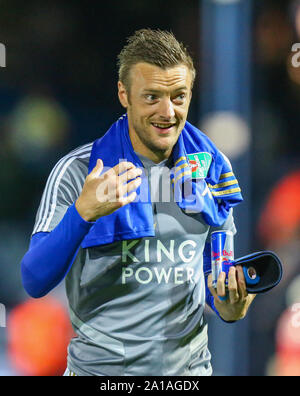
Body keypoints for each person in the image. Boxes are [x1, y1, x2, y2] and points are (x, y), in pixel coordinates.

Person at [20, 29, 256, 376]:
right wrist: (83, 213)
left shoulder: (212, 167)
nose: (168, 112)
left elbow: (216, 280)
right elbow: (34, 279)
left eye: (179, 96)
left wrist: (231, 306)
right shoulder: (80, 171)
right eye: (152, 97)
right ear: (124, 94)